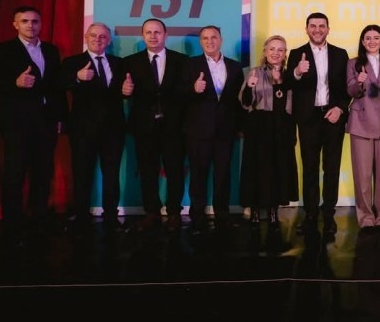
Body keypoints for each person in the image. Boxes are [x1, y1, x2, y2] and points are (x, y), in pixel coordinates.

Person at [0, 6, 67, 241]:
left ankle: (39, 218)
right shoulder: (2, 50)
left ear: (40, 24)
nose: (30, 25)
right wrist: (15, 83)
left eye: (35, 21)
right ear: (15, 24)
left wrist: (60, 118)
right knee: (15, 173)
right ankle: (12, 224)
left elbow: (57, 87)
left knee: (43, 172)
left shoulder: (50, 50)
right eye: (25, 21)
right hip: (16, 122)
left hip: (46, 121)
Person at [286, 12, 350, 238]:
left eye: (322, 26)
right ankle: (310, 214)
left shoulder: (341, 54)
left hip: (333, 118)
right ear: (306, 29)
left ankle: (329, 215)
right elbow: (287, 83)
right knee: (310, 169)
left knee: (331, 169)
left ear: (328, 29)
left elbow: (347, 88)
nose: (317, 29)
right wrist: (297, 71)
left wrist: (340, 108)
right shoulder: (296, 54)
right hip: (308, 120)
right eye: (313, 26)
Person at [122, 18, 189, 233]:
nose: (153, 36)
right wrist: (125, 92)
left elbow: (186, 93)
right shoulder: (130, 62)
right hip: (144, 126)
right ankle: (151, 212)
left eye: (157, 32)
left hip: (174, 127)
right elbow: (123, 91)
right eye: (148, 32)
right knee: (147, 170)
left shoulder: (182, 61)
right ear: (143, 35)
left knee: (175, 171)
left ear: (165, 35)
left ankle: (174, 213)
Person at [61, 22, 127, 233]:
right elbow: (60, 85)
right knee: (82, 173)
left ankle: (111, 217)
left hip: (113, 129)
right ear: (86, 37)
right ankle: (81, 217)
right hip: (83, 129)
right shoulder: (72, 62)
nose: (98, 39)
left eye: (102, 36)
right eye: (93, 35)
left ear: (109, 40)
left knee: (111, 175)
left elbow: (124, 90)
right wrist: (77, 78)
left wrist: (128, 91)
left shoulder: (119, 63)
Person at [182, 25, 245, 235]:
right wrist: (193, 89)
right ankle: (197, 217)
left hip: (225, 131)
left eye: (214, 37)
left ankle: (222, 215)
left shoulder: (235, 67)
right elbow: (178, 96)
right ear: (200, 42)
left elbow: (238, 102)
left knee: (223, 175)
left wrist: (239, 127)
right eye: (205, 38)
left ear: (221, 40)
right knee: (198, 175)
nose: (210, 41)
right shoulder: (190, 65)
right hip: (198, 131)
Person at [238, 35, 299, 227]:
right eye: (272, 49)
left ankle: (273, 210)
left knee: (278, 168)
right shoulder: (254, 73)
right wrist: (250, 87)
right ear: (265, 52)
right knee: (256, 168)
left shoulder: (290, 76)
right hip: (258, 126)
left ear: (285, 54)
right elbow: (245, 103)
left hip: (282, 127)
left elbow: (294, 105)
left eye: (280, 50)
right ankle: (255, 210)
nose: (275, 53)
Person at [346, 24, 380, 231]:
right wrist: (358, 82)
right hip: (361, 123)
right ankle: (366, 216)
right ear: (362, 41)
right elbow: (350, 91)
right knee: (362, 175)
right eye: (367, 38)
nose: (372, 41)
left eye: (376, 37)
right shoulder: (353, 63)